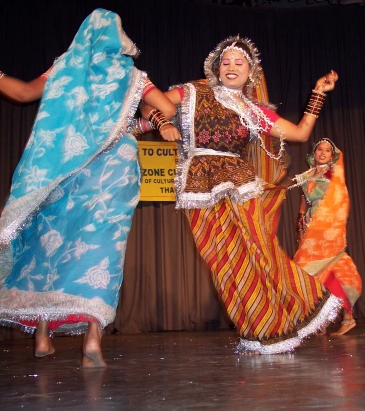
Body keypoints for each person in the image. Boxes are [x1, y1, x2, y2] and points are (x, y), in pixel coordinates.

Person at [0, 8, 177, 367]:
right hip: (113, 169)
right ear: (119, 40)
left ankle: (43, 336)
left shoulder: (66, 68)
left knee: (50, 247)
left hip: (63, 167)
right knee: (102, 250)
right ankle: (93, 338)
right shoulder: (133, 76)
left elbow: (24, 92)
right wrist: (147, 121)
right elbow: (165, 108)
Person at [141, 35, 342, 354]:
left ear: (251, 73)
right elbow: (149, 102)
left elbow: (301, 133)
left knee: (257, 246)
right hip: (199, 183)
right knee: (222, 260)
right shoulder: (193, 91)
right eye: (226, 62)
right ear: (217, 68)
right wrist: (163, 123)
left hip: (239, 182)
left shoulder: (253, 110)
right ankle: (256, 328)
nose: (232, 67)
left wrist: (318, 93)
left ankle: (290, 314)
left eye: (239, 63)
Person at [292, 138, 362, 335]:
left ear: (333, 156)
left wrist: (324, 220)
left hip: (329, 224)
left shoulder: (334, 174)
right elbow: (304, 200)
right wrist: (300, 221)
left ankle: (346, 318)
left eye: (327, 151)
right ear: (313, 154)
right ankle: (323, 320)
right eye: (319, 149)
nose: (322, 153)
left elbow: (341, 200)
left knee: (316, 267)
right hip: (311, 224)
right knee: (319, 272)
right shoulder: (307, 175)